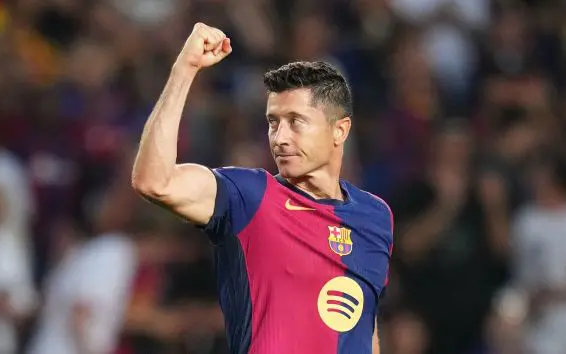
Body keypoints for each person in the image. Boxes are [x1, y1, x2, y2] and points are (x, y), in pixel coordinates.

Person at [131, 22, 394, 354]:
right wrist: (185, 69)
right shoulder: (250, 196)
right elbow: (154, 181)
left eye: (296, 122)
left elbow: (365, 325)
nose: (280, 138)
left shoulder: (376, 217)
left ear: (339, 131)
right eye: (273, 122)